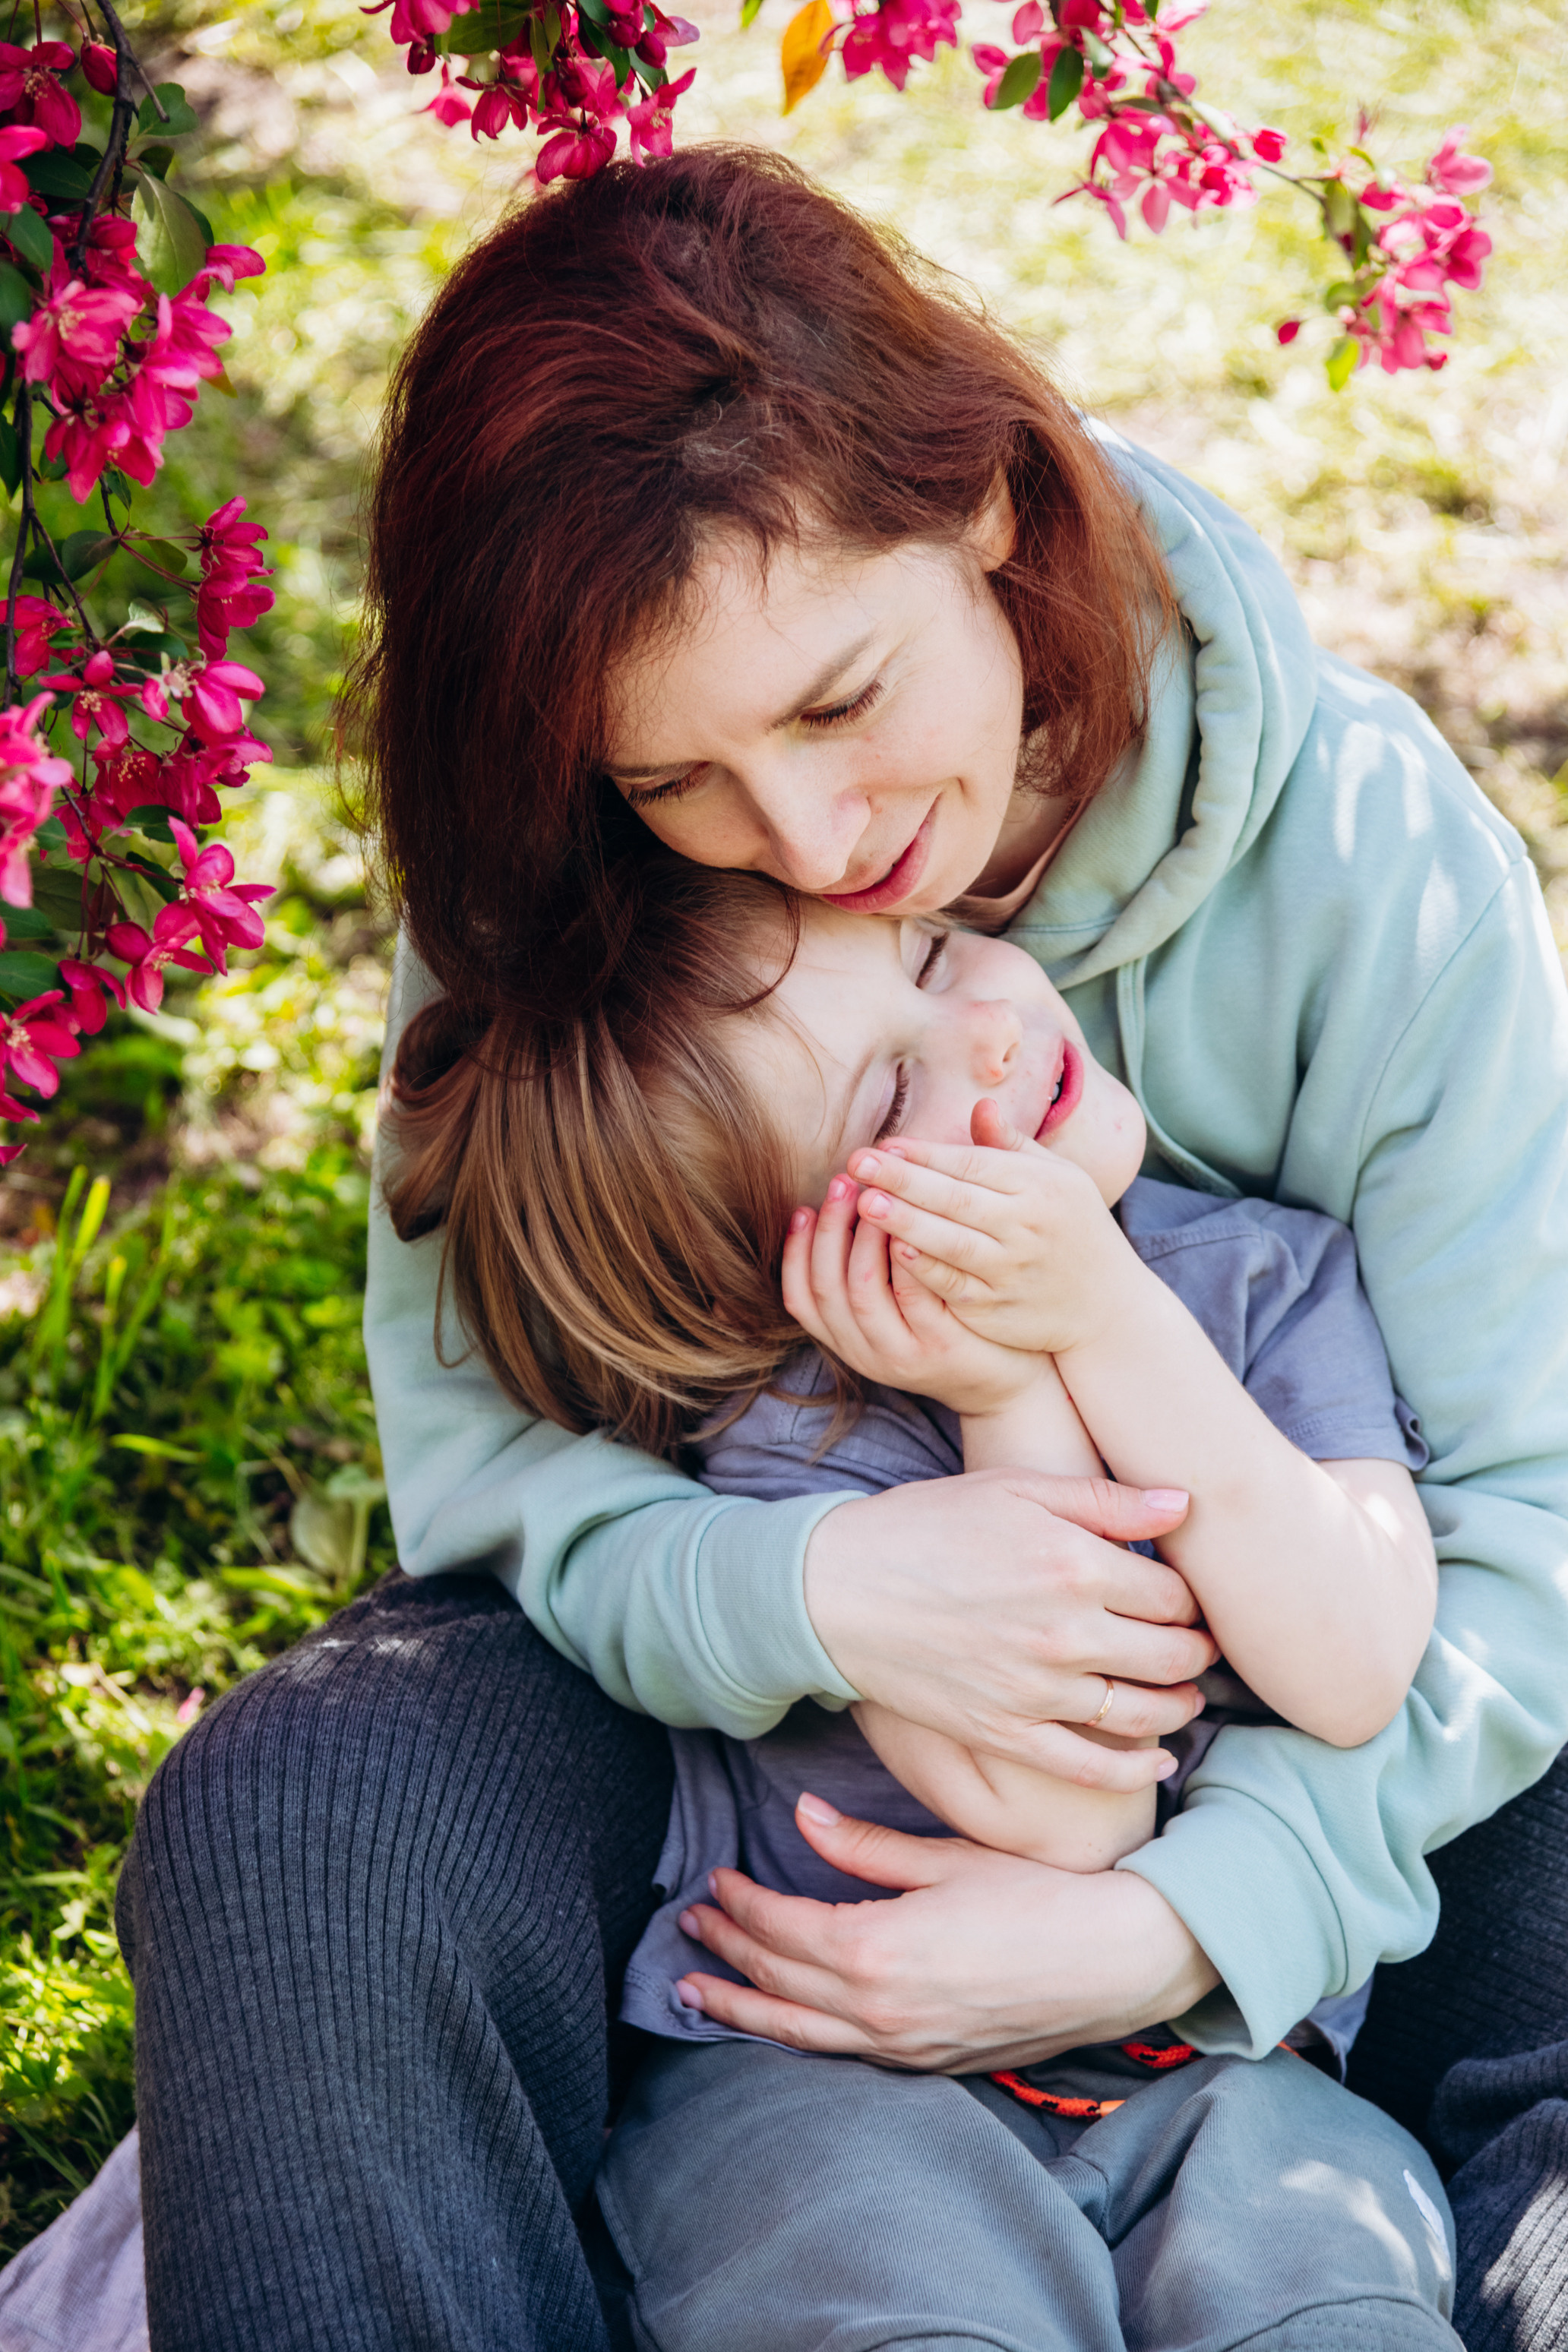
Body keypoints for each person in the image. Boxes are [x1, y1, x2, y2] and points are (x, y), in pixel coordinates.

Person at [115, 147, 1568, 2352]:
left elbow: (1509, 1555)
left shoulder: (1379, 872)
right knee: (308, 1824)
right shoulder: (573, 871)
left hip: (1334, 1762)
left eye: (833, 702)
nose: (809, 848)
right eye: (678, 783)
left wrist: (1182, 1917)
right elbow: (500, 1465)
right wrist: (816, 1596)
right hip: (754, 1780)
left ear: (984, 505)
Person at [384, 868, 1458, 2347]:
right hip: (825, 2078)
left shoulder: (1270, 1282)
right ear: (791, 1262)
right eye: (894, 1098)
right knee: (891, 2309)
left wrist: (1106, 1318)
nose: (991, 1033)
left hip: (1224, 2068)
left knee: (1334, 2299)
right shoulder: (798, 1430)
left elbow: (1351, 1665)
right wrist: (1010, 1392)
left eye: (938, 952)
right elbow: (1065, 1819)